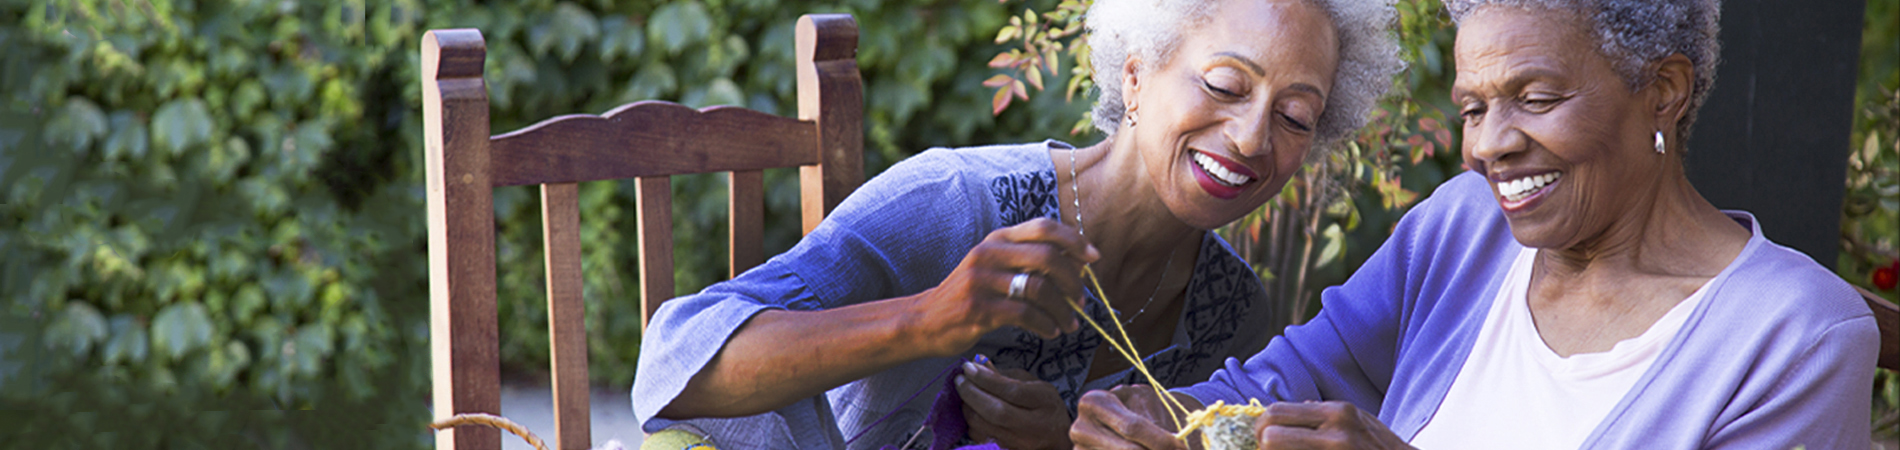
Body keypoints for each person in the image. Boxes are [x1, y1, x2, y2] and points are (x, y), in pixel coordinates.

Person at [1071, 0, 1881, 448]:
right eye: (1472, 107)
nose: (1491, 144)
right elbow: (1269, 394)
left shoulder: (1796, 336)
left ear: (1663, 89)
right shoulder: (1465, 228)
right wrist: (1148, 422)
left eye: (1535, 98)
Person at [629, 0, 1403, 448]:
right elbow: (676, 358)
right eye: (1226, 84)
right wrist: (931, 319)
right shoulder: (954, 204)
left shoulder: (1232, 308)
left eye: (1296, 116)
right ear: (1136, 76)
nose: (1252, 138)